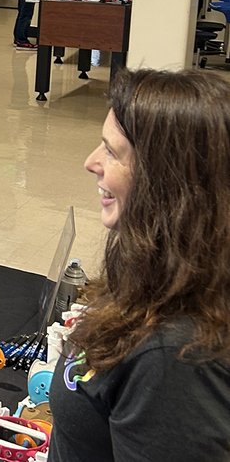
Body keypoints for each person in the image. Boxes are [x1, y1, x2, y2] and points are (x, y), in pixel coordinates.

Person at [49, 69, 230, 461]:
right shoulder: (158, 280)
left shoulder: (174, 359)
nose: (90, 162)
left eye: (112, 152)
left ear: (166, 183)